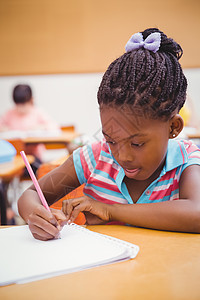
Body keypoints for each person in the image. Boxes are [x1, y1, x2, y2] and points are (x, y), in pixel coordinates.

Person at [18, 28, 200, 240]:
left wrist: (109, 210)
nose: (122, 156)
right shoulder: (93, 159)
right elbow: (30, 195)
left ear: (173, 127)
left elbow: (196, 214)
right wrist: (35, 216)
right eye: (111, 140)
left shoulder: (185, 160)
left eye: (137, 143)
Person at [0, 84, 59, 172]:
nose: (21, 108)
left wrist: (41, 127)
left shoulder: (37, 112)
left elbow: (54, 128)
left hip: (33, 157)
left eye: (24, 104)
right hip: (13, 158)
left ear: (31, 100)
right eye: (18, 105)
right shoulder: (10, 114)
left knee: (38, 170)